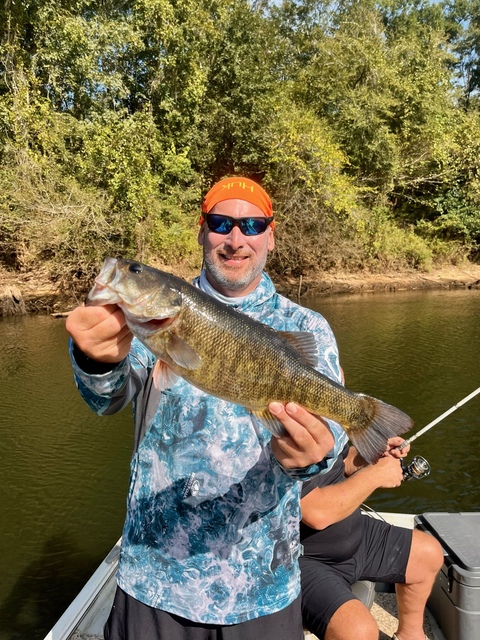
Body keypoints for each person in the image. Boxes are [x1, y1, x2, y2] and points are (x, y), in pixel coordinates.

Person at [66, 176, 347, 640]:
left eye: (252, 225)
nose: (236, 239)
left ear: (270, 236)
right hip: (155, 581)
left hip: (261, 587)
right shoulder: (149, 323)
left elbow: (328, 445)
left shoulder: (307, 327)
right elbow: (108, 399)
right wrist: (95, 357)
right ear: (202, 231)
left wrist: (314, 458)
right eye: (221, 223)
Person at [300, 430, 444, 640]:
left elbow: (342, 461)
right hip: (303, 557)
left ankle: (410, 635)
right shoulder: (265, 434)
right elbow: (316, 513)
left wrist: (371, 454)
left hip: (356, 536)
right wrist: (375, 475)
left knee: (428, 553)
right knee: (358, 631)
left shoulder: (317, 417)